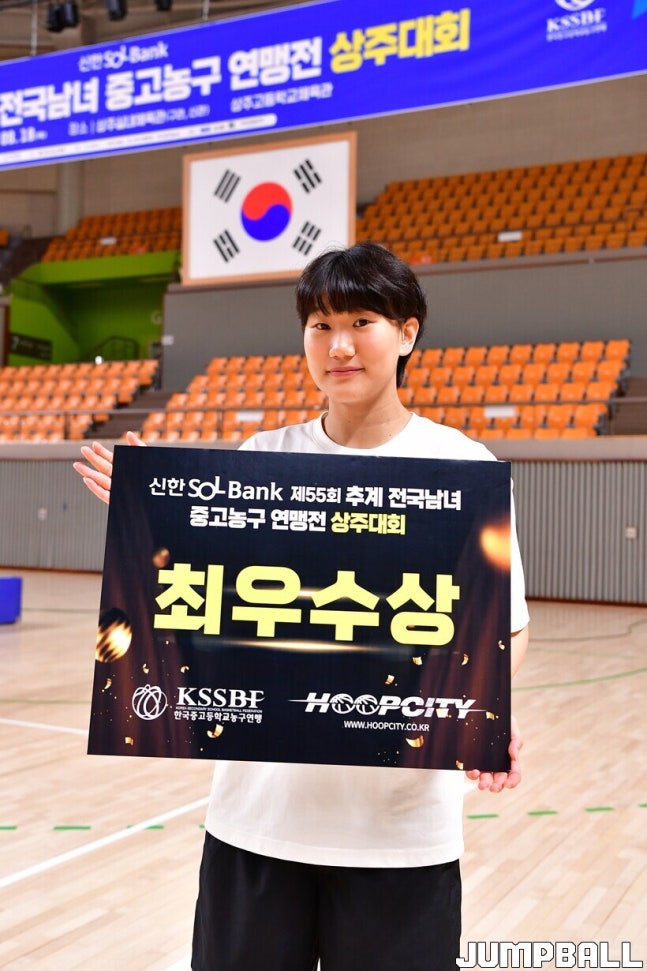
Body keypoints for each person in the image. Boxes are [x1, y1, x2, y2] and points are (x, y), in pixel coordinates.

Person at [74, 242, 530, 971]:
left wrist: (485, 713)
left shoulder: (462, 468)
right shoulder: (260, 460)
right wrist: (150, 523)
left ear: (407, 333)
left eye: (360, 322)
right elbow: (200, 621)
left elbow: (502, 629)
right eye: (320, 326)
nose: (338, 345)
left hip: (399, 835)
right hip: (256, 823)